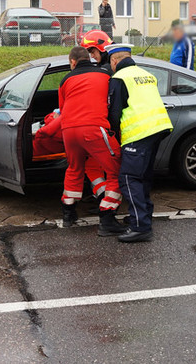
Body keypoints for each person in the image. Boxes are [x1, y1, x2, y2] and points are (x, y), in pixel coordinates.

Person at [108, 44, 173, 242]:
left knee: (128, 178)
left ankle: (141, 227)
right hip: (158, 129)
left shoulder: (119, 78)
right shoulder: (146, 74)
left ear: (114, 61)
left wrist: (111, 131)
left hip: (139, 133)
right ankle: (143, 216)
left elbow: (114, 112)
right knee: (142, 177)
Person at [59, 47, 124, 236]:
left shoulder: (65, 80)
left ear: (72, 62)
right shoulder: (104, 74)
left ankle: (68, 214)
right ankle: (107, 217)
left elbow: (62, 109)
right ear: (88, 58)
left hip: (69, 131)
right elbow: (113, 101)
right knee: (117, 170)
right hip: (95, 129)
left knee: (74, 169)